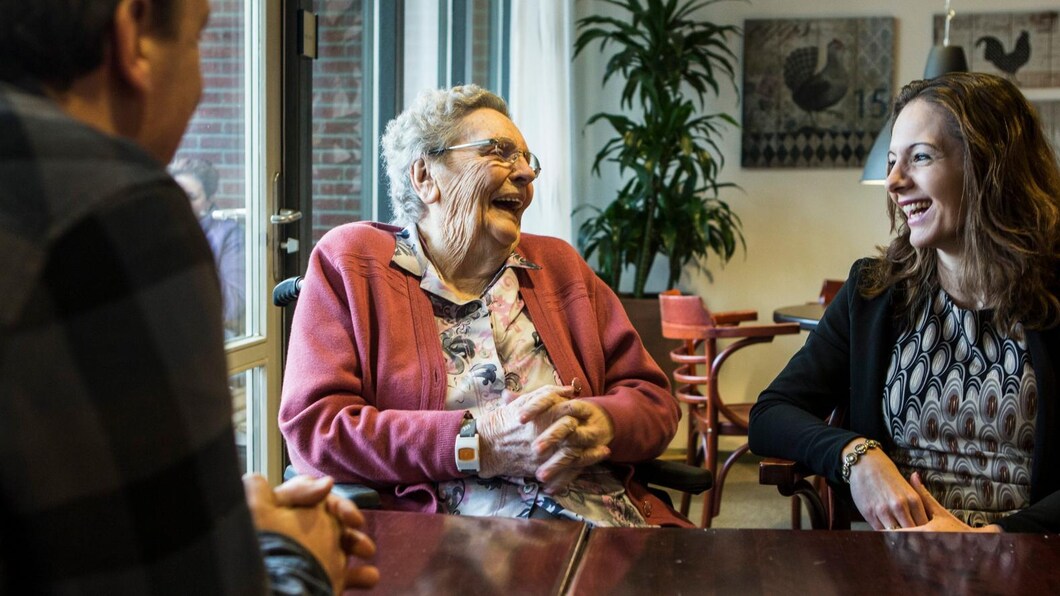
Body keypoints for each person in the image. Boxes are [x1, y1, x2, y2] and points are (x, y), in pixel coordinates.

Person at [0, 0, 377, 592]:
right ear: (134, 33)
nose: (200, 87)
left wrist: (220, 525)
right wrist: (291, 554)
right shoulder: (114, 208)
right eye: (198, 39)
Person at [279, 84, 686, 527]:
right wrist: (478, 443)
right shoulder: (352, 264)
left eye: (528, 161)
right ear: (425, 176)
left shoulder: (558, 267)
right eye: (498, 152)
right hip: (452, 546)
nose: (526, 174)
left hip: (606, 525)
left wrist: (600, 423)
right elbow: (316, 429)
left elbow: (654, 401)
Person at [749, 72, 1060, 533]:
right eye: (892, 161)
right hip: (895, 562)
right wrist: (858, 456)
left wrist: (993, 540)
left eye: (920, 157)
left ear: (988, 164)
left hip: (1028, 559)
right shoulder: (873, 291)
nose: (893, 181)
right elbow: (770, 413)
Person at [169, 157, 246, 339]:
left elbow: (232, 305)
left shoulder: (229, 233)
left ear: (209, 201)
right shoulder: (157, 229)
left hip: (206, 336)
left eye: (191, 197)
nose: (180, 203)